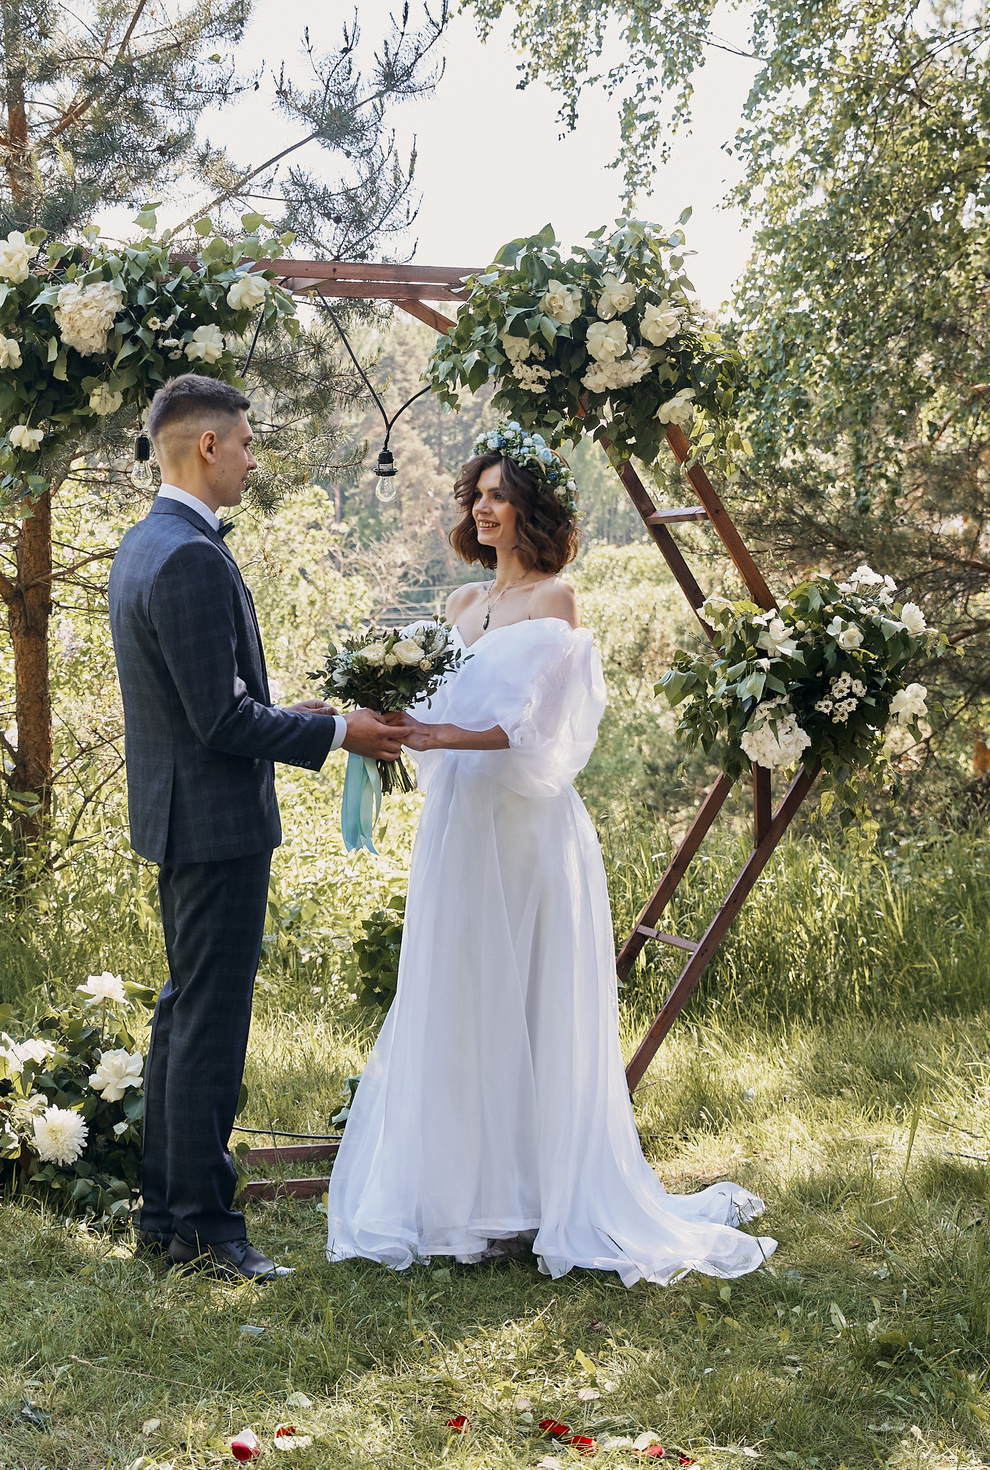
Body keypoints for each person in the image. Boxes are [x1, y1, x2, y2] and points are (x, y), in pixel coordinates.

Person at [325, 423, 776, 1285]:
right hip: (459, 820)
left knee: (526, 987)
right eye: (477, 494)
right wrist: (371, 715)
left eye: (498, 495)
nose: (482, 507)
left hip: (526, 824)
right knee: (459, 983)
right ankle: (465, 1195)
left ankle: (535, 1197)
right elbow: (426, 705)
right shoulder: (459, 606)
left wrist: (442, 732)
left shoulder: (555, 601)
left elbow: (539, 727)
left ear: (530, 509)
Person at [108, 374, 406, 1282]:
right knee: (208, 1026)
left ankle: (167, 1218)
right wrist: (334, 730)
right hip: (214, 823)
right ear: (205, 447)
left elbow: (214, 699)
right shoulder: (191, 554)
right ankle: (204, 1229)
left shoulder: (146, 542)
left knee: (183, 1015)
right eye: (243, 443)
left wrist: (290, 707)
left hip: (184, 816)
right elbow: (221, 725)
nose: (249, 458)